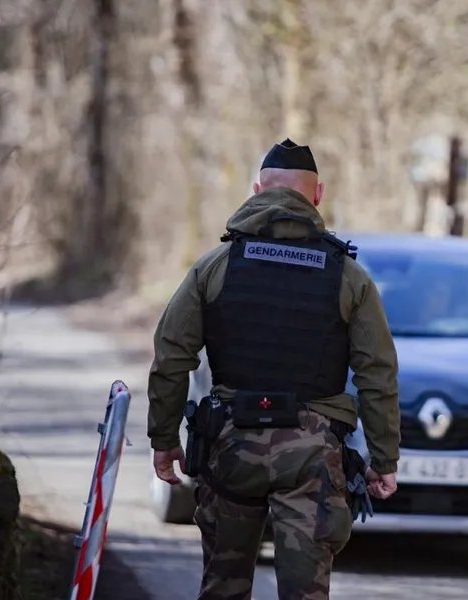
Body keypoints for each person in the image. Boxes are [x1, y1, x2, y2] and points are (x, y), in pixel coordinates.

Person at [147, 138, 401, 599]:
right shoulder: (348, 276)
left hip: (231, 445)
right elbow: (377, 375)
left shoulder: (215, 266)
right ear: (318, 195)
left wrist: (164, 439)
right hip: (312, 454)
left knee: (222, 587)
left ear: (257, 190)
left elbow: (171, 357)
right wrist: (384, 460)